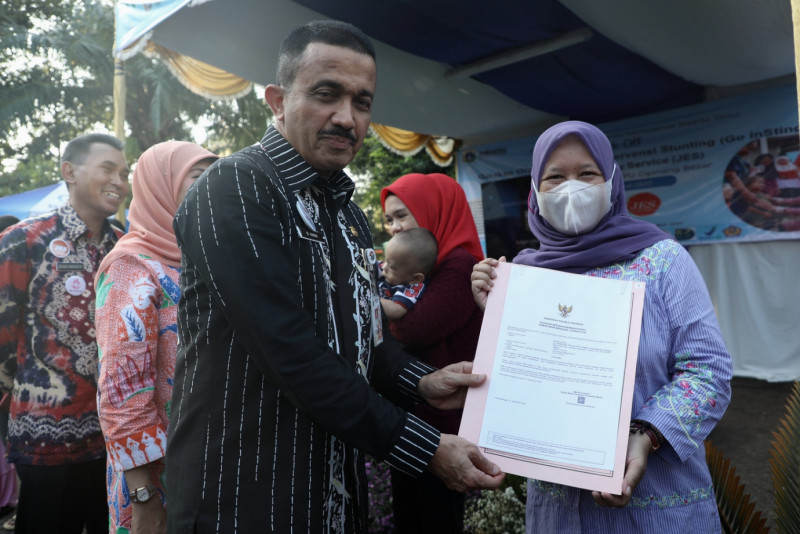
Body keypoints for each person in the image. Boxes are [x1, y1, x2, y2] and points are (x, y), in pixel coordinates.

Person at [165, 20, 503, 533]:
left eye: (362, 102)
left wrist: (421, 382)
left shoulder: (348, 214)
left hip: (333, 496)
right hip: (246, 498)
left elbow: (364, 336)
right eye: (326, 94)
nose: (347, 118)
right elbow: (292, 350)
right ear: (278, 101)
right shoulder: (233, 189)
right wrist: (426, 446)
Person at [471, 121, 732, 533]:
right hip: (560, 513)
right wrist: (494, 315)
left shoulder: (663, 261)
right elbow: (520, 384)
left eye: (587, 173)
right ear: (535, 191)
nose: (570, 188)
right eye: (555, 177)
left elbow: (708, 371)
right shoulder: (523, 276)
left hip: (658, 508)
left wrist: (646, 435)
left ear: (612, 182)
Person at [0, 133, 130, 534]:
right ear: (69, 171)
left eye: (124, 173)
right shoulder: (24, 240)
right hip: (45, 441)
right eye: (108, 169)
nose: (119, 181)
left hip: (112, 438)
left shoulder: (123, 247)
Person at [94, 142, 218, 534]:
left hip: (207, 468)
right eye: (198, 178)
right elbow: (121, 391)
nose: (212, 187)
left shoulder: (202, 259)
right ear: (161, 187)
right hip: (156, 481)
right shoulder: (133, 267)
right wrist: (144, 496)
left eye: (217, 177)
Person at [381, 172, 485, 533]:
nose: (395, 227)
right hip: (419, 416)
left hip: (445, 424)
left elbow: (413, 329)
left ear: (433, 211)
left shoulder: (459, 266)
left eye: (402, 215)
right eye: (389, 219)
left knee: (434, 517)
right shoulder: (426, 268)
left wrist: (385, 315)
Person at [379, 227, 438, 320]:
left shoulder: (412, 288)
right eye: (386, 260)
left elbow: (396, 310)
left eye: (392, 266)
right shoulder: (386, 269)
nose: (384, 267)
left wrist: (367, 298)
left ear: (415, 279)